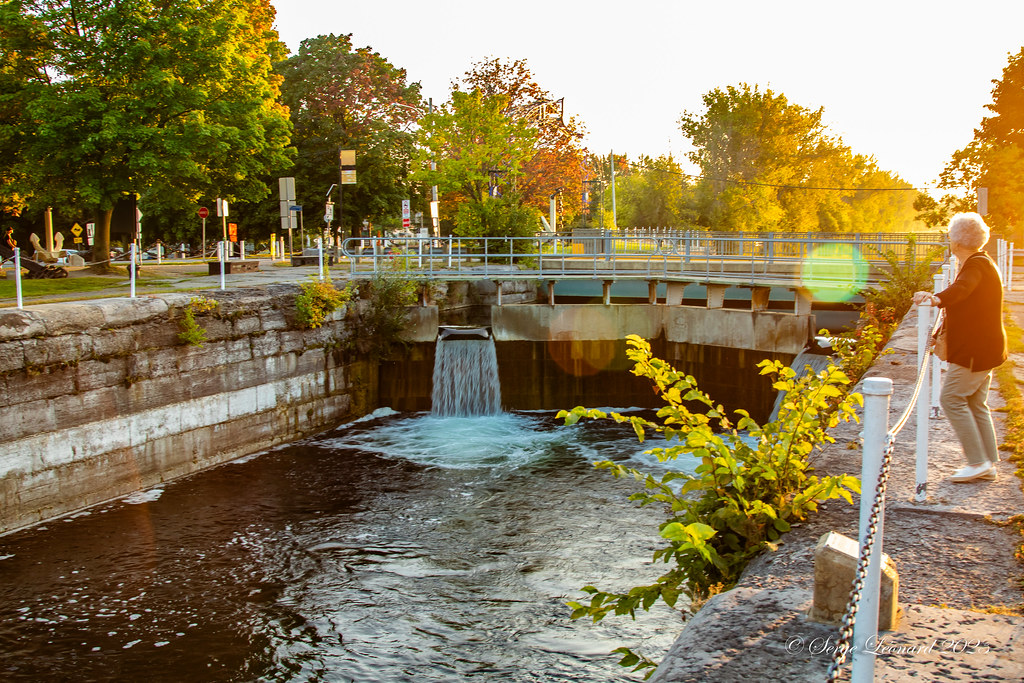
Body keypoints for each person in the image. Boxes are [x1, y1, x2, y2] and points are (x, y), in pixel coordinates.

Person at [913, 212, 1008, 483]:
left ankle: (977, 462)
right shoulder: (983, 261)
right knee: (977, 403)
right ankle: (988, 462)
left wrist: (935, 299)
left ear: (954, 242)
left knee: (951, 399)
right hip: (988, 347)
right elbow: (966, 293)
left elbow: (963, 289)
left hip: (975, 351)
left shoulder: (975, 266)